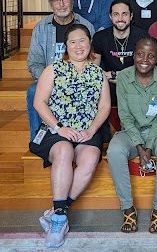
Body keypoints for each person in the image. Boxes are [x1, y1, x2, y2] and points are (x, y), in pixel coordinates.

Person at [30, 24, 110, 248]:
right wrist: (59, 128)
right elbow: (39, 102)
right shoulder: (53, 69)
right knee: (64, 150)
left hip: (86, 130)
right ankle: (58, 221)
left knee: (90, 159)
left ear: (90, 43)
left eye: (83, 40)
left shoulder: (97, 73)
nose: (78, 46)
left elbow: (104, 107)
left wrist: (91, 130)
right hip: (56, 130)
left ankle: (57, 210)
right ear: (66, 46)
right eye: (73, 42)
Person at [106, 37, 157, 234]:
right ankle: (128, 208)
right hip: (131, 130)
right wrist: (139, 146)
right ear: (133, 54)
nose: (144, 59)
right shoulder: (123, 78)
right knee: (114, 151)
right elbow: (125, 117)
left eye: (151, 56)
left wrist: (148, 147)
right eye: (140, 54)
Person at [27, 0, 95, 140]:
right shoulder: (41, 28)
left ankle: (81, 136)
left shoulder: (85, 26)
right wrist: (50, 80)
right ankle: (38, 139)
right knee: (33, 91)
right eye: (57, 1)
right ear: (51, 4)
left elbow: (92, 59)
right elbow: (34, 62)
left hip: (79, 79)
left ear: (73, 1)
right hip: (49, 80)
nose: (62, 5)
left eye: (65, 0)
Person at [91, 0, 149, 133]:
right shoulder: (100, 37)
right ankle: (104, 137)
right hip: (110, 85)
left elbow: (145, 71)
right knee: (97, 89)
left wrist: (113, 75)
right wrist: (112, 77)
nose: (120, 18)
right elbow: (94, 70)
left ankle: (140, 133)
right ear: (110, 16)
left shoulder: (142, 37)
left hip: (136, 84)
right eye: (116, 14)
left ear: (131, 16)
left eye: (124, 14)